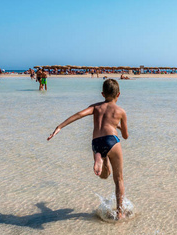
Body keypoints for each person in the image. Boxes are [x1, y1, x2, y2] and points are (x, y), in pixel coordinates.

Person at [47, 79, 129, 220]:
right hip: (112, 141)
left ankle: (100, 157)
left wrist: (59, 127)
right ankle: (120, 213)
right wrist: (118, 125)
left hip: (96, 143)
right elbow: (126, 136)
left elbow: (79, 114)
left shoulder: (95, 107)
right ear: (119, 94)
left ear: (102, 93)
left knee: (104, 175)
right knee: (118, 179)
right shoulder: (120, 111)